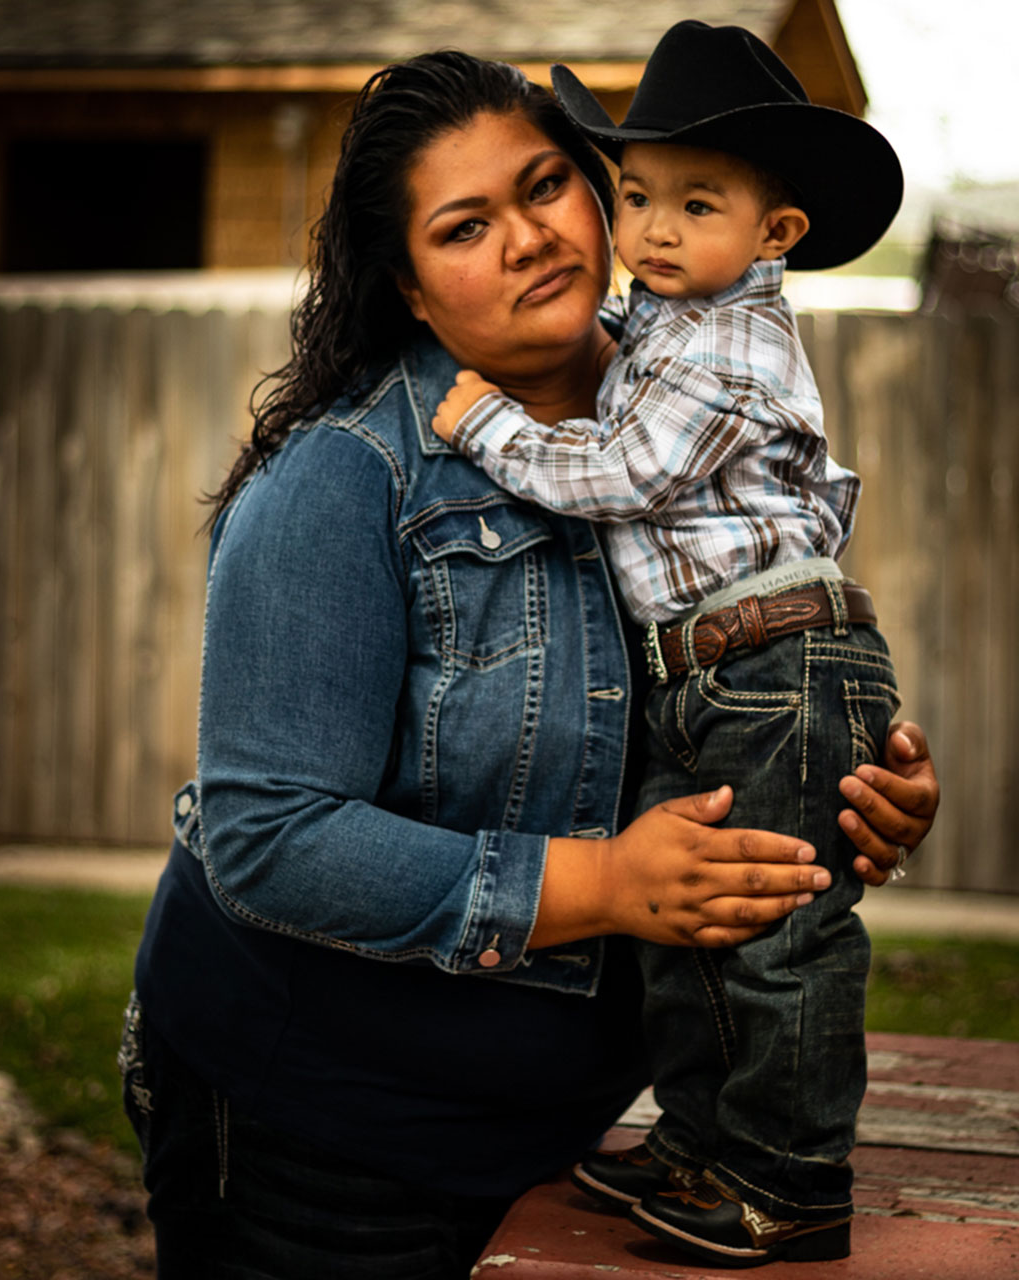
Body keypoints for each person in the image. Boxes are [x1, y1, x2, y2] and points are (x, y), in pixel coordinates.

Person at [120, 49, 939, 1280]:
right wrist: (604, 884)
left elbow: (711, 713)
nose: (526, 238)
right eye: (465, 225)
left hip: (595, 1146)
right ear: (406, 284)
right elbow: (271, 834)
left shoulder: (691, 398)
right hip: (323, 1142)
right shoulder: (347, 484)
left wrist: (829, 790)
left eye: (546, 184)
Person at [429, 22, 906, 1268]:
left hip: (773, 657)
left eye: (695, 204)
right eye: (633, 194)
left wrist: (486, 429)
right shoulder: (664, 323)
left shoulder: (729, 343)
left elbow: (624, 473)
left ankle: (787, 1175)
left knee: (775, 922)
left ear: (775, 234)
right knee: (689, 917)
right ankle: (702, 1136)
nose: (649, 229)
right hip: (716, 663)